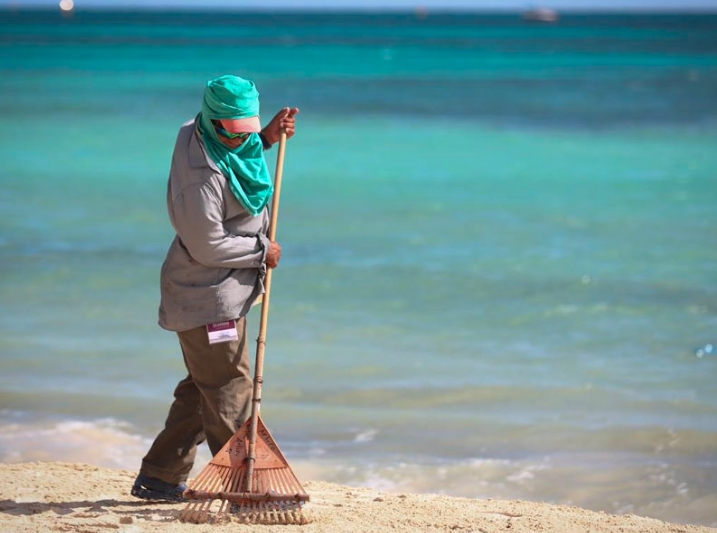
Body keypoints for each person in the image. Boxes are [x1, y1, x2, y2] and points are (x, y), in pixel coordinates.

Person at [131, 74, 299, 502]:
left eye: (246, 128)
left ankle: (160, 477)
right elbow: (208, 245)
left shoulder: (199, 130)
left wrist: (264, 138)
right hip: (207, 294)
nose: (238, 140)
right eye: (233, 131)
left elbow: (237, 149)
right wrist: (262, 251)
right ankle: (243, 485)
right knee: (230, 386)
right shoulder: (200, 180)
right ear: (212, 120)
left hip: (220, 290)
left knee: (203, 386)